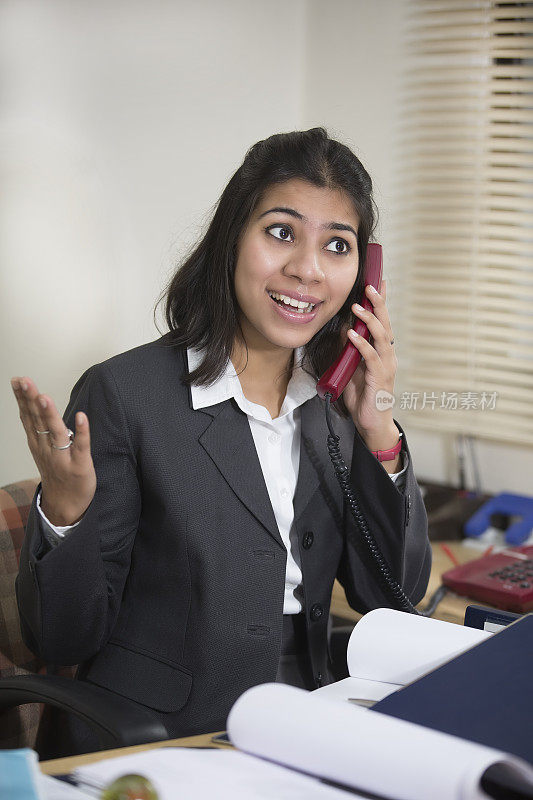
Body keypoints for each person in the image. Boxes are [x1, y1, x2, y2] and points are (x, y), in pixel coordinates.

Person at [12, 127, 431, 757]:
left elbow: (393, 600)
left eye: (337, 245)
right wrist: (66, 514)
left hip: (305, 719)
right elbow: (63, 640)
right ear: (231, 237)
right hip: (161, 739)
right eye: (281, 232)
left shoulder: (335, 406)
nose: (307, 270)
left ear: (365, 274)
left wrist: (379, 432)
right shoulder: (124, 396)